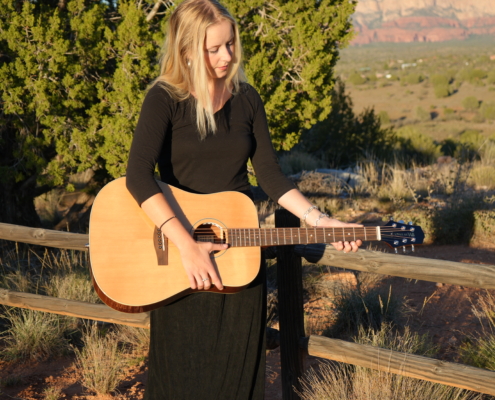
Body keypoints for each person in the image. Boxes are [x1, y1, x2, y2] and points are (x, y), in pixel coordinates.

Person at [125, 0, 362, 398]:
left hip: (239, 255)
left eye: (230, 44)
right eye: (213, 48)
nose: (227, 56)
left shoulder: (247, 99)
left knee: (239, 378)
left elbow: (270, 176)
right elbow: (137, 177)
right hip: (180, 260)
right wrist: (187, 246)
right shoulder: (164, 99)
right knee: (182, 377)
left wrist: (322, 222)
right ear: (186, 51)